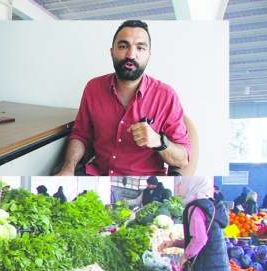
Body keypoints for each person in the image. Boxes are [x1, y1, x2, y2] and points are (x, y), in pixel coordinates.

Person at [54, 20, 190, 177]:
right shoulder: (93, 88)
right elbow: (80, 135)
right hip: (98, 174)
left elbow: (183, 158)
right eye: (123, 46)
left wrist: (158, 141)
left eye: (140, 48)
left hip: (143, 183)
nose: (131, 55)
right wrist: (68, 169)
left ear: (148, 56)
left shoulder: (166, 97)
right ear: (112, 52)